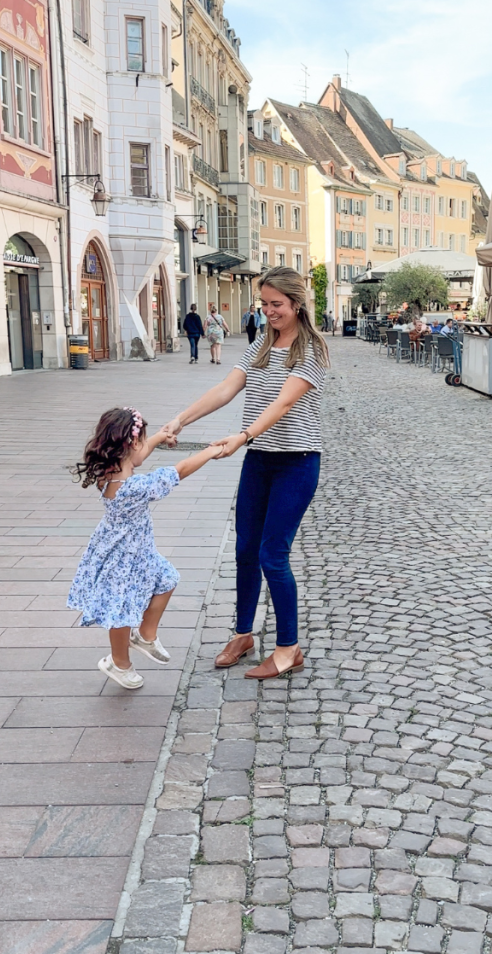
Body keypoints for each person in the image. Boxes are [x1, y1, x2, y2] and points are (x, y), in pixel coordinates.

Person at [164, 266, 330, 680]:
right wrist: (181, 419)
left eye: (277, 305)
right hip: (260, 461)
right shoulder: (261, 343)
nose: (269, 311)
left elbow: (284, 404)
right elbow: (227, 387)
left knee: (272, 555)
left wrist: (244, 434)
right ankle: (242, 635)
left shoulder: (311, 351)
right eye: (265, 304)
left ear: (296, 304)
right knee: (244, 552)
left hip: (297, 460)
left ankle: (289, 648)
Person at [68, 407, 223, 690]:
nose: (145, 446)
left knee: (167, 578)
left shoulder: (108, 470)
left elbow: (137, 455)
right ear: (130, 444)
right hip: (123, 555)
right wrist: (210, 452)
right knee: (122, 609)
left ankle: (146, 635)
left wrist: (159, 438)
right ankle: (119, 663)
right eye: (143, 440)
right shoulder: (133, 487)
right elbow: (179, 471)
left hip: (132, 549)